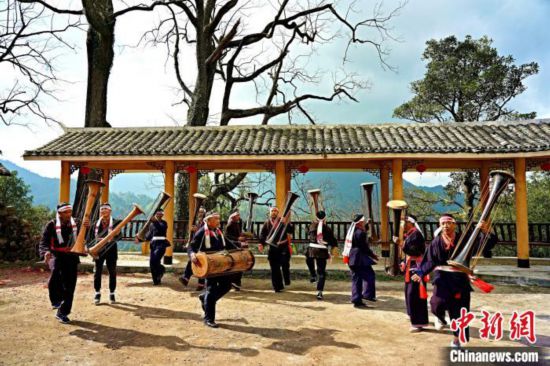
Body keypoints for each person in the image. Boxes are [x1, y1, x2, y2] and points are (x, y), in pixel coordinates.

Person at [412, 213, 496, 347]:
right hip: (442, 278)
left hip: (459, 279)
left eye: (448, 223)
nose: (446, 226)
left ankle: (457, 340)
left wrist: (485, 231)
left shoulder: (465, 239)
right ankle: (441, 318)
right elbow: (429, 260)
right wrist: (421, 272)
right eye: (443, 223)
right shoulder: (436, 242)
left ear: (454, 225)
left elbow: (484, 243)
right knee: (436, 304)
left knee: (460, 312)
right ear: (440, 225)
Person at [39, 203, 89, 324]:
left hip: (72, 256)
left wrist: (87, 227)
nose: (69, 214)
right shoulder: (51, 224)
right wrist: (45, 252)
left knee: (70, 286)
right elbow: (44, 242)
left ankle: (63, 312)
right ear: (60, 213)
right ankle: (56, 300)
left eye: (70, 212)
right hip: (56, 255)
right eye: (66, 212)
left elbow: (85, 237)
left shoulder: (77, 223)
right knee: (56, 273)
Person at [188, 211, 231, 328]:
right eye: (216, 219)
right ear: (208, 221)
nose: (218, 221)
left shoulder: (218, 232)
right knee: (211, 290)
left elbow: (227, 244)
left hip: (221, 263)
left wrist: (240, 248)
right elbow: (191, 246)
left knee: (227, 285)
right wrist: (192, 254)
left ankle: (204, 298)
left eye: (219, 218)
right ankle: (208, 319)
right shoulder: (202, 232)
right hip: (209, 265)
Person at [399, 214, 429, 332]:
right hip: (411, 266)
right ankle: (414, 316)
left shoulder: (416, 234)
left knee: (415, 294)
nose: (403, 225)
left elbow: (415, 252)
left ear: (410, 223)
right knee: (409, 293)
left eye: (404, 222)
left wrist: (401, 244)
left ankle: (418, 322)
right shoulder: (411, 234)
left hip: (417, 267)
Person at [342, 214, 379, 308]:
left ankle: (357, 299)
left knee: (357, 279)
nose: (363, 223)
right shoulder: (360, 233)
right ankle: (366, 295)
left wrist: (367, 225)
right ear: (360, 222)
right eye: (363, 221)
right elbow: (364, 247)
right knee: (370, 275)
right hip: (359, 258)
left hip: (351, 257)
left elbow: (360, 232)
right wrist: (373, 255)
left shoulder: (352, 231)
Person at [90, 203, 121, 305]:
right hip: (99, 250)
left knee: (112, 272)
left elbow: (120, 237)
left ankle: (112, 293)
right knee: (97, 272)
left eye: (106, 209)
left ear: (110, 211)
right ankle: (97, 293)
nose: (103, 211)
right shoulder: (95, 224)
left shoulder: (116, 223)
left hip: (111, 250)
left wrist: (117, 234)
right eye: (102, 209)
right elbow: (90, 238)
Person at [259, 207, 293, 292]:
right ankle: (277, 287)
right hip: (273, 248)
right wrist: (261, 243)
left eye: (275, 211)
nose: (274, 212)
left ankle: (287, 280)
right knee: (274, 268)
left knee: (285, 265)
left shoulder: (282, 221)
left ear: (278, 213)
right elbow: (263, 234)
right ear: (270, 213)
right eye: (272, 211)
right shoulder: (267, 223)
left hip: (283, 247)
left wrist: (286, 223)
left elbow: (291, 231)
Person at [306, 210, 338, 300]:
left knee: (309, 260)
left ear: (316, 218)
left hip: (311, 250)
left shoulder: (311, 226)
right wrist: (334, 246)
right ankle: (319, 292)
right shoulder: (328, 229)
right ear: (325, 218)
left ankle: (312, 275)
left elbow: (308, 233)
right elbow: (333, 241)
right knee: (321, 272)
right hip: (322, 251)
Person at [179, 207, 206, 291]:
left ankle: (198, 282)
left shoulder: (205, 224)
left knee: (199, 262)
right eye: (199, 212)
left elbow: (204, 233)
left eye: (202, 212)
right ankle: (187, 278)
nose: (200, 214)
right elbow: (193, 237)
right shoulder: (197, 223)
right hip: (195, 246)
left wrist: (197, 230)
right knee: (193, 260)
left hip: (203, 246)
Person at [223, 209, 249, 291]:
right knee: (236, 265)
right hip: (232, 248)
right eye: (237, 215)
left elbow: (238, 234)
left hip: (237, 246)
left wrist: (243, 235)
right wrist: (238, 238)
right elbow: (227, 237)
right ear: (233, 217)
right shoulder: (230, 225)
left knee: (240, 265)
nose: (239, 217)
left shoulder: (237, 224)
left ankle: (236, 283)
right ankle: (234, 282)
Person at [144, 208, 171, 285]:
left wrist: (155, 222)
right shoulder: (152, 224)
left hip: (162, 244)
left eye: (160, 213)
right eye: (157, 213)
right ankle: (156, 280)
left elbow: (161, 229)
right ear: (155, 214)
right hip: (153, 245)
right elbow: (149, 235)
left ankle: (161, 269)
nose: (159, 214)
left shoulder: (164, 223)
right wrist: (140, 238)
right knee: (152, 262)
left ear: (162, 214)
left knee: (155, 259)